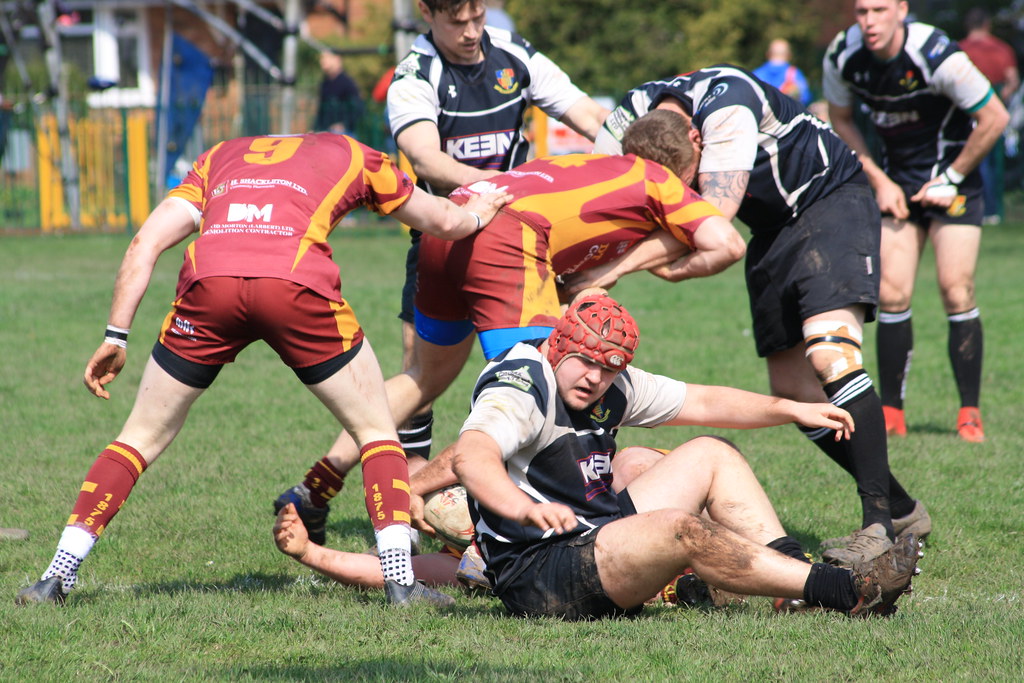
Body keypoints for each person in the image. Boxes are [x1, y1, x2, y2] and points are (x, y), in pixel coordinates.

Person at [14, 132, 510, 607]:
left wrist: (115, 336)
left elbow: (145, 242)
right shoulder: (353, 154)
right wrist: (478, 211)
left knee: (137, 437)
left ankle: (55, 576)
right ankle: (401, 583)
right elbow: (442, 220)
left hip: (209, 288)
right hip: (294, 287)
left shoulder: (221, 156)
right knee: (377, 431)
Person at [273, 146, 747, 545]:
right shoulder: (662, 180)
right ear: (686, 168)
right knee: (537, 389)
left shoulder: (593, 161)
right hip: (506, 236)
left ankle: (315, 487)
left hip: (452, 224)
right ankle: (476, 517)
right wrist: (623, 270)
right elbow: (726, 244)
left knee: (425, 379)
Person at [589, 65, 930, 566]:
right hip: (772, 230)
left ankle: (878, 524)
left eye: (685, 184)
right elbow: (595, 197)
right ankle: (901, 506)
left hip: (829, 199)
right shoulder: (624, 121)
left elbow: (710, 221)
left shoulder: (729, 107)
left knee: (830, 351)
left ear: (695, 137)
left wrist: (611, 270)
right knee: (793, 388)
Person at [450, 294, 920, 620]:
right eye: (586, 362)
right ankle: (847, 592)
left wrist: (789, 408)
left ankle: (795, 588)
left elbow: (703, 401)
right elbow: (471, 458)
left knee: (711, 454)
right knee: (681, 528)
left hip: (593, 534)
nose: (595, 378)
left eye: (608, 368)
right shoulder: (520, 383)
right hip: (539, 573)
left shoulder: (612, 382)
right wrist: (525, 509)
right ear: (556, 344)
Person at [381, 0, 608, 465]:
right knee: (420, 370)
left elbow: (589, 117)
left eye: (477, 17)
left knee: (539, 360)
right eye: (456, 21)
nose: (470, 31)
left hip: (521, 240)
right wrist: (498, 187)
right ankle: (411, 486)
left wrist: (632, 160)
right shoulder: (414, 76)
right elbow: (426, 159)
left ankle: (547, 478)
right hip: (442, 236)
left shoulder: (515, 54)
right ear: (425, 11)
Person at [823, 0, 1009, 443]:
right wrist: (880, 180)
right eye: (862, 11)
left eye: (880, 10)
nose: (869, 21)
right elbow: (840, 118)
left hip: (954, 180)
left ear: (901, 9)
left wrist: (951, 178)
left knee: (955, 287)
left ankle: (969, 413)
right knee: (891, 292)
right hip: (897, 184)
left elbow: (995, 117)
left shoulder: (938, 54)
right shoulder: (842, 56)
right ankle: (891, 413)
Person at [959, 7, 1020, 225]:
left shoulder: (959, 50)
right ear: (987, 25)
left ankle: (977, 208)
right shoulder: (1001, 50)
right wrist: (1002, 94)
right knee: (993, 162)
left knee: (974, 159)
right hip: (996, 112)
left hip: (966, 114)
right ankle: (993, 210)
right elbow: (1012, 80)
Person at [312, 50, 365, 136]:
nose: (322, 61)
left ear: (337, 59)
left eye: (326, 57)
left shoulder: (346, 83)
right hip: (326, 132)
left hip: (343, 134)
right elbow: (321, 112)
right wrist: (314, 129)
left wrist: (343, 124)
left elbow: (359, 108)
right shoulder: (325, 83)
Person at [753, 38, 813, 108]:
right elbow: (806, 98)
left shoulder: (756, 74)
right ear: (789, 55)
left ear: (768, 54)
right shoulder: (794, 74)